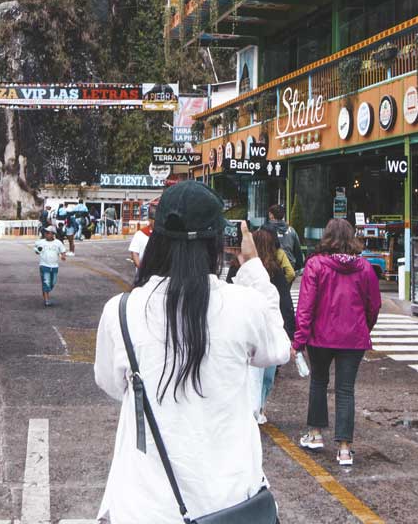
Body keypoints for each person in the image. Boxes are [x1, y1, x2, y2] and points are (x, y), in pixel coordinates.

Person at [94, 181, 289, 523]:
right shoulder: (243, 305)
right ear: (218, 241)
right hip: (231, 504)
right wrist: (254, 268)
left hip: (145, 507)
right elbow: (279, 349)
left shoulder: (121, 312)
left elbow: (111, 384)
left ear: (156, 239)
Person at [292, 218, 381, 467]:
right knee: (345, 390)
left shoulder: (316, 265)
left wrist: (299, 340)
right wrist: (365, 326)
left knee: (318, 382)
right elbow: (374, 305)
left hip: (320, 336)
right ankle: (344, 449)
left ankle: (316, 433)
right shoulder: (364, 268)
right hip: (353, 337)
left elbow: (306, 307)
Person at [253, 228, 296, 425]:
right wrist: (290, 334)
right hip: (270, 328)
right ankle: (259, 407)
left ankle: (253, 407)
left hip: (249, 327)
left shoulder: (241, 268)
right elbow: (285, 304)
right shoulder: (276, 272)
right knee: (267, 374)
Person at [261, 203, 304, 274]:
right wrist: (298, 267)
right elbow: (298, 251)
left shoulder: (264, 229)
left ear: (271, 215)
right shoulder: (291, 230)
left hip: (270, 267)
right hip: (289, 268)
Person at [35, 227, 67, 307]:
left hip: (54, 266)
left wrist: (63, 256)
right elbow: (36, 251)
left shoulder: (58, 243)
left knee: (53, 282)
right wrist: (38, 250)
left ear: (53, 234)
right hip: (44, 265)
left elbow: (63, 250)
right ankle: (46, 300)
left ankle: (45, 290)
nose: (46, 234)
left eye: (48, 233)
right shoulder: (41, 242)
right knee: (46, 282)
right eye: (45, 232)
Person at [128, 205, 155, 282]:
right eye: (154, 219)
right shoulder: (140, 234)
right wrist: (141, 268)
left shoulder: (163, 235)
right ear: (149, 220)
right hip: (142, 274)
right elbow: (134, 253)